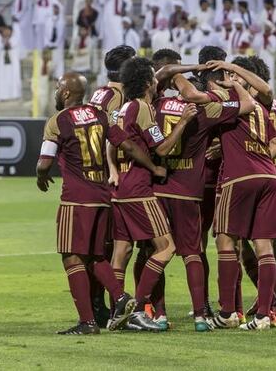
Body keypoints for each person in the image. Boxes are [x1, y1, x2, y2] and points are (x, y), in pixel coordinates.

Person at [37, 73, 149, 334]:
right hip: (102, 198)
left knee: (71, 256)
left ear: (66, 93)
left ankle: (87, 322)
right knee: (96, 256)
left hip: (75, 200)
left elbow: (44, 162)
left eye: (57, 87)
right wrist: (153, 166)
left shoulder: (58, 121)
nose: (55, 91)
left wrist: (41, 176)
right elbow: (127, 145)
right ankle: (121, 298)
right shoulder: (100, 114)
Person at [152, 51, 253, 331]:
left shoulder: (155, 104)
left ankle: (157, 314)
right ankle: (202, 314)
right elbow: (247, 105)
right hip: (191, 190)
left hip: (158, 188)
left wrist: (179, 74)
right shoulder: (204, 108)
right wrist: (234, 84)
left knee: (155, 251)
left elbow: (163, 75)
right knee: (195, 251)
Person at [107, 57, 197, 331]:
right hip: (138, 189)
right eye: (154, 78)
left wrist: (112, 169)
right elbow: (161, 149)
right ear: (148, 82)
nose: (158, 81)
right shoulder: (144, 108)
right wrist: (182, 123)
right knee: (166, 247)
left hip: (119, 189)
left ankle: (115, 313)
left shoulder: (121, 109)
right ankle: (136, 306)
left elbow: (112, 141)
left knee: (121, 251)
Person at [0, 26, 23, 101]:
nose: (6, 32)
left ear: (11, 31)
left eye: (7, 31)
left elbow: (9, 45)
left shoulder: (15, 39)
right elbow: (0, 47)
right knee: (3, 77)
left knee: (14, 77)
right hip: (3, 63)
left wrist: (6, 41)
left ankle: (15, 95)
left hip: (13, 61)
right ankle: (3, 96)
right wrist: (4, 40)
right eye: (4, 31)